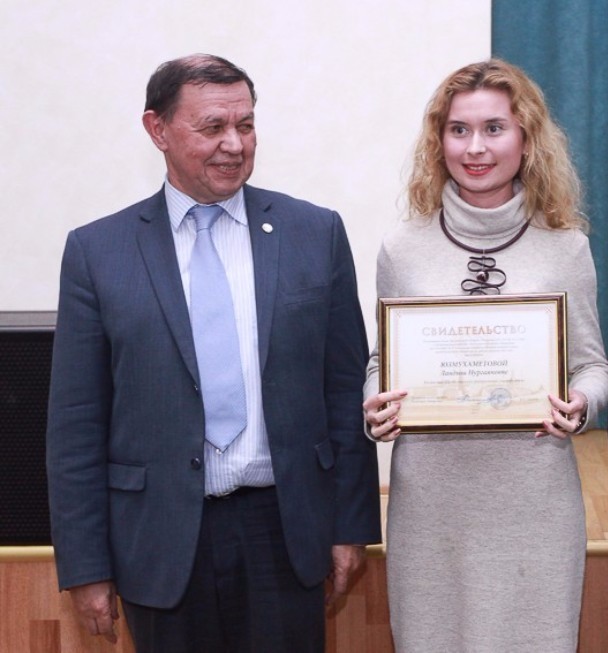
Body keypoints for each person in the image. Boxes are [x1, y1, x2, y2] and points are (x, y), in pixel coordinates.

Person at [45, 54, 381, 652]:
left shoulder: (315, 233)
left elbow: (343, 388)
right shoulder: (99, 252)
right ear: (158, 130)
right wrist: (86, 564)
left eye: (246, 125)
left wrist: (351, 527)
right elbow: (76, 422)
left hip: (285, 530)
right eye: (212, 128)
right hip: (162, 540)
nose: (234, 144)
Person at [362, 59, 608, 652]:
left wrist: (579, 405)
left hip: (534, 505)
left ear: (526, 139)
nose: (475, 147)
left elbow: (593, 365)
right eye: (459, 130)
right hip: (432, 509)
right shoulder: (403, 249)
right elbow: (380, 362)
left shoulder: (566, 246)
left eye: (495, 128)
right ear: (439, 140)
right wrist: (372, 405)